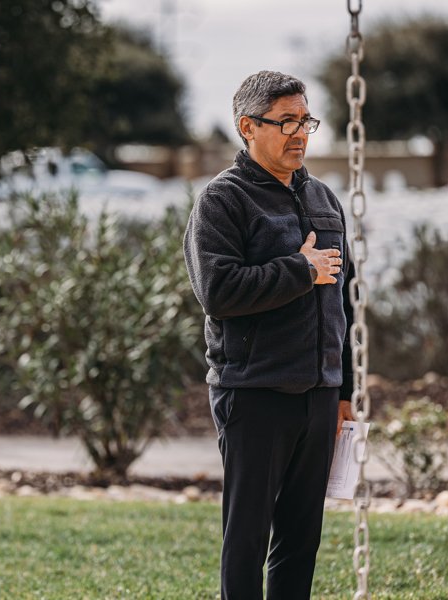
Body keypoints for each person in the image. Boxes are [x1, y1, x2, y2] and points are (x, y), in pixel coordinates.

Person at [183, 71, 356, 599]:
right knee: (248, 540)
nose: (300, 133)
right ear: (247, 127)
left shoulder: (325, 199)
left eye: (306, 121)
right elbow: (218, 291)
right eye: (285, 122)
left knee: (302, 540)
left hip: (320, 394)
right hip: (253, 393)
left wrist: (343, 391)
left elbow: (344, 302)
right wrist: (299, 270)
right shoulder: (222, 201)